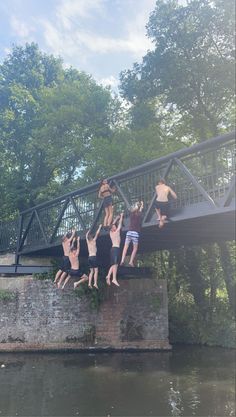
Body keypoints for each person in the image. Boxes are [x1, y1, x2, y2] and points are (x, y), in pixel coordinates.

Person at [120, 201, 143, 267]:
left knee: (125, 247)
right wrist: (141, 205)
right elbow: (140, 210)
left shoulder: (132, 214)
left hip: (129, 233)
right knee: (135, 249)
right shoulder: (139, 215)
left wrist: (137, 205)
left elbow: (134, 209)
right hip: (135, 233)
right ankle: (130, 262)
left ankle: (122, 260)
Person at [106, 212, 124, 287]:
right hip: (115, 249)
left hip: (113, 249)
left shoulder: (111, 233)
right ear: (113, 229)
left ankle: (108, 275)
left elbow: (112, 225)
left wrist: (116, 218)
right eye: (114, 227)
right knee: (115, 264)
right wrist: (121, 217)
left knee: (113, 264)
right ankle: (113, 278)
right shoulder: (116, 232)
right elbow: (119, 225)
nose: (115, 226)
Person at [86, 224, 102, 289]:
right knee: (96, 270)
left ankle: (89, 283)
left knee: (91, 271)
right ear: (92, 238)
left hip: (89, 258)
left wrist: (88, 231)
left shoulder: (88, 242)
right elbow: (97, 234)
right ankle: (95, 283)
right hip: (93, 257)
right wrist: (100, 227)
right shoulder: (93, 241)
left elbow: (86, 235)